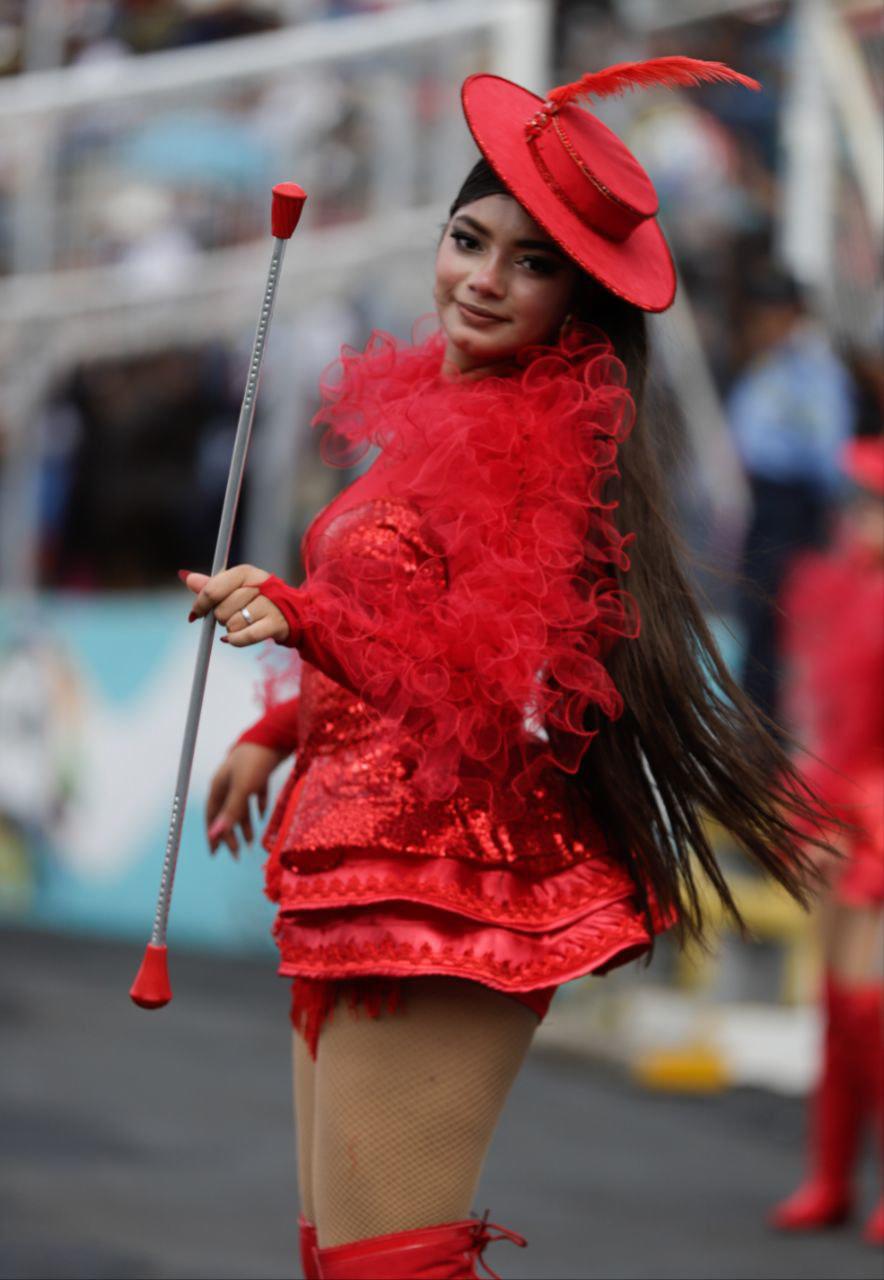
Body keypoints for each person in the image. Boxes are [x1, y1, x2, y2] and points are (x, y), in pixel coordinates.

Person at [180, 60, 835, 1280]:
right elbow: (392, 618)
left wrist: (303, 618)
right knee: (340, 1259)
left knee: (386, 1266)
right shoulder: (428, 411)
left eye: (530, 263)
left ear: (577, 299)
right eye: (467, 240)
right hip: (351, 858)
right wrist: (280, 727)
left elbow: (477, 687)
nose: (481, 280)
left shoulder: (544, 444)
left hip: (448, 880)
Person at [770, 437, 884, 1246]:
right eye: (854, 499)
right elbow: (814, 717)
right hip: (836, 808)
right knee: (837, 1006)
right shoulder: (833, 589)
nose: (858, 515)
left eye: (874, 502)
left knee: (870, 1002)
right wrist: (812, 816)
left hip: (876, 816)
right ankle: (831, 1177)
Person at [728, 269, 855, 726]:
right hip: (765, 506)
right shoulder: (764, 365)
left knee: (784, 621)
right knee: (756, 618)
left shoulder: (813, 372)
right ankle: (758, 729)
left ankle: (775, 733)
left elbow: (827, 452)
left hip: (794, 509)